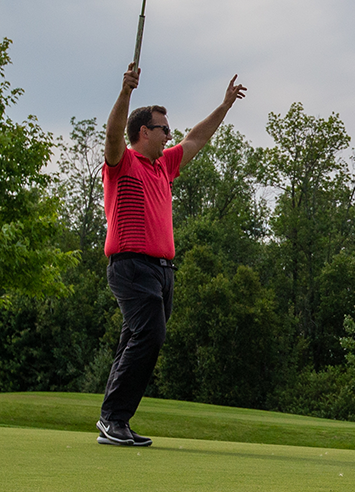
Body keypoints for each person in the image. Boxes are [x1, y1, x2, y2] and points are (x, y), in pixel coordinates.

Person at [95, 62, 246, 447]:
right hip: (131, 266)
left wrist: (224, 107)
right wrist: (126, 91)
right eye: (164, 128)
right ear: (144, 132)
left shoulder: (164, 165)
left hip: (163, 272)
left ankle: (115, 421)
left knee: (136, 339)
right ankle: (113, 419)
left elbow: (197, 139)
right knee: (150, 335)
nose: (170, 134)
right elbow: (113, 135)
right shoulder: (122, 162)